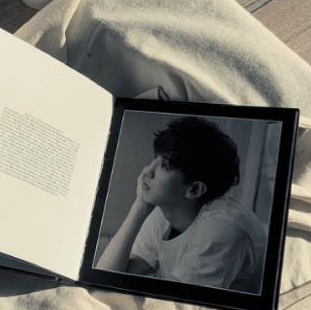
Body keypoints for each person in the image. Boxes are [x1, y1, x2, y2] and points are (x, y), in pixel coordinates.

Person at [96, 116, 266, 292]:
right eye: (155, 158)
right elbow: (105, 280)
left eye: (164, 166)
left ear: (194, 189)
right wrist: (139, 207)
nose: (147, 171)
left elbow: (174, 304)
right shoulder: (164, 211)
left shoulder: (224, 229)